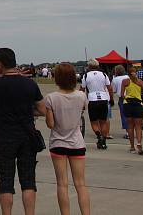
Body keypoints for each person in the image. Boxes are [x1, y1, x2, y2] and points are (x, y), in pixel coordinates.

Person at [0, 48, 46, 215]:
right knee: (28, 181)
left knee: (5, 181)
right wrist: (28, 111)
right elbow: (42, 109)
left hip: (5, 136)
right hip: (27, 136)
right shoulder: (30, 84)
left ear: (0, 63)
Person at [44, 63, 90, 215]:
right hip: (76, 142)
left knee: (62, 184)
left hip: (58, 142)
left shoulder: (51, 98)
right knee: (81, 184)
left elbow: (50, 124)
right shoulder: (81, 96)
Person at [80, 60, 113, 150]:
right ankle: (104, 140)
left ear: (89, 66)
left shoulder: (86, 75)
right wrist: (112, 99)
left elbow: (82, 89)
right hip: (103, 98)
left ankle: (99, 136)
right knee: (103, 121)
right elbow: (109, 88)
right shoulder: (104, 74)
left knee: (94, 122)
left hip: (92, 99)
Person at [110, 65, 129, 140]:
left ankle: (128, 132)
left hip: (122, 98)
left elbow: (113, 90)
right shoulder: (128, 77)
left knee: (124, 115)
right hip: (131, 96)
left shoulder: (115, 79)